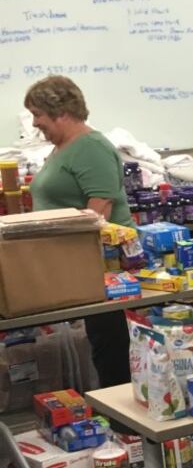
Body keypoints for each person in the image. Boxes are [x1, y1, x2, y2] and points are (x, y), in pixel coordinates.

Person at [24, 75, 133, 388]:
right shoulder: (63, 148)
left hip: (99, 265)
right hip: (74, 262)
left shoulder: (91, 147)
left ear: (60, 111)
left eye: (38, 115)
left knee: (110, 343)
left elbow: (98, 214)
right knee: (101, 341)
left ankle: (125, 425)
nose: (35, 123)